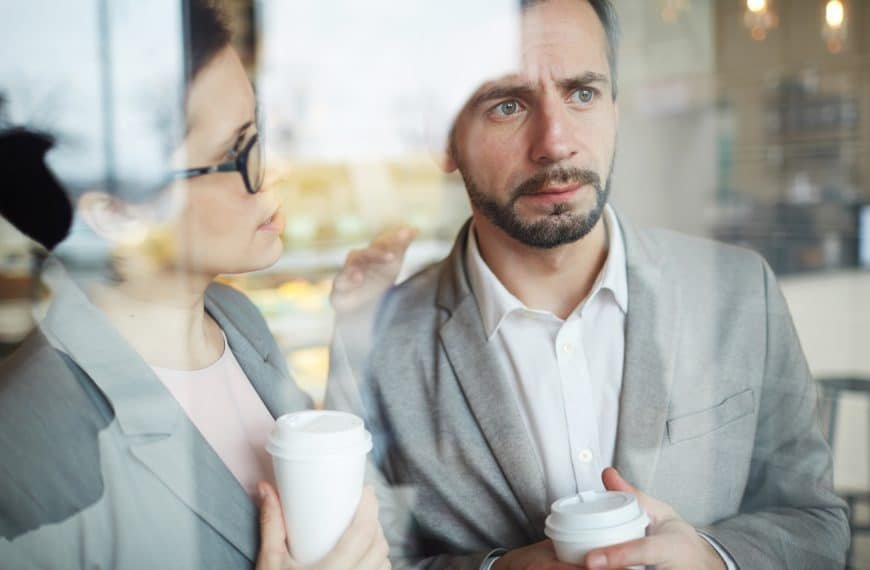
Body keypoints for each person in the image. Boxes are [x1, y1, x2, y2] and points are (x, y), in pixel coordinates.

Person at [325, 0, 850, 568]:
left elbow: (814, 523)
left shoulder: (741, 292)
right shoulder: (375, 343)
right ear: (443, 139)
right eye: (507, 105)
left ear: (616, 109)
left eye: (582, 94)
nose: (555, 142)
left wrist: (710, 557)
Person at [0, 2, 389, 568]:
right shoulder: (24, 448)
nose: (273, 170)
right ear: (114, 210)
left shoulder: (236, 319)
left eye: (261, 132)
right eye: (239, 151)